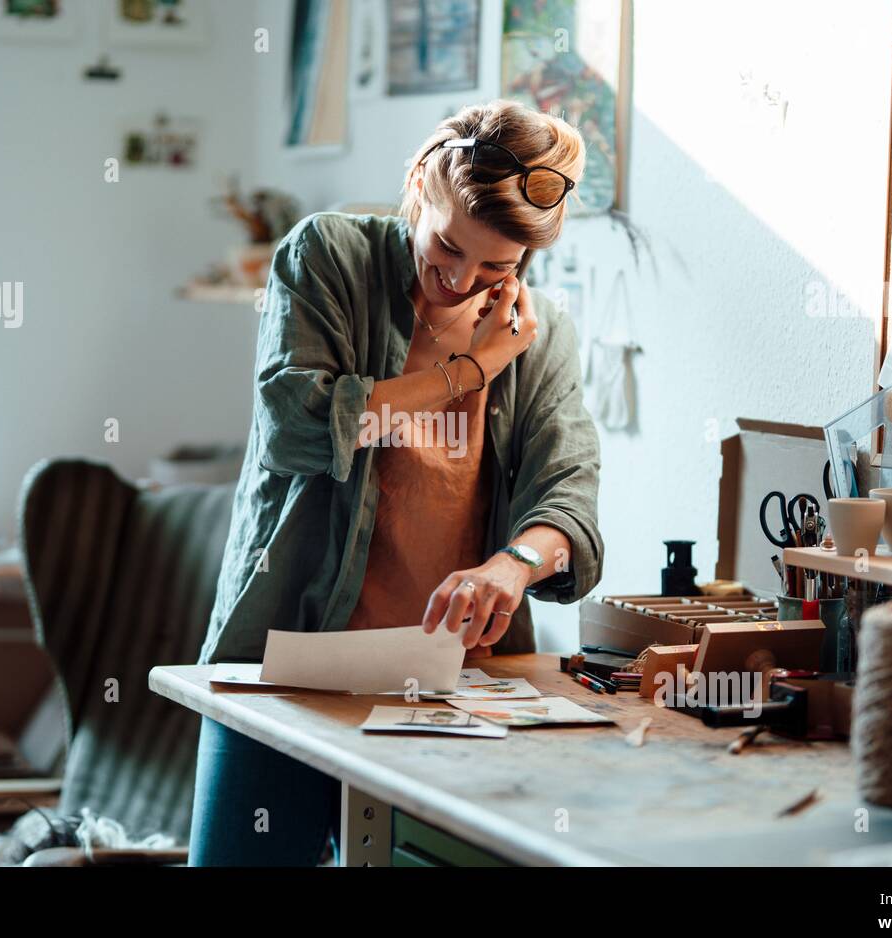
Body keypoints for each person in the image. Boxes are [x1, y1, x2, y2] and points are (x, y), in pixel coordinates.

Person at [188, 100, 603, 865]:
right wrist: (468, 370)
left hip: (459, 692)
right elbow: (299, 423)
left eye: (496, 267)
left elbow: (568, 495)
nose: (459, 279)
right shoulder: (327, 258)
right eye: (447, 245)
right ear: (419, 183)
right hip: (287, 669)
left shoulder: (541, 337)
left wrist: (514, 564)